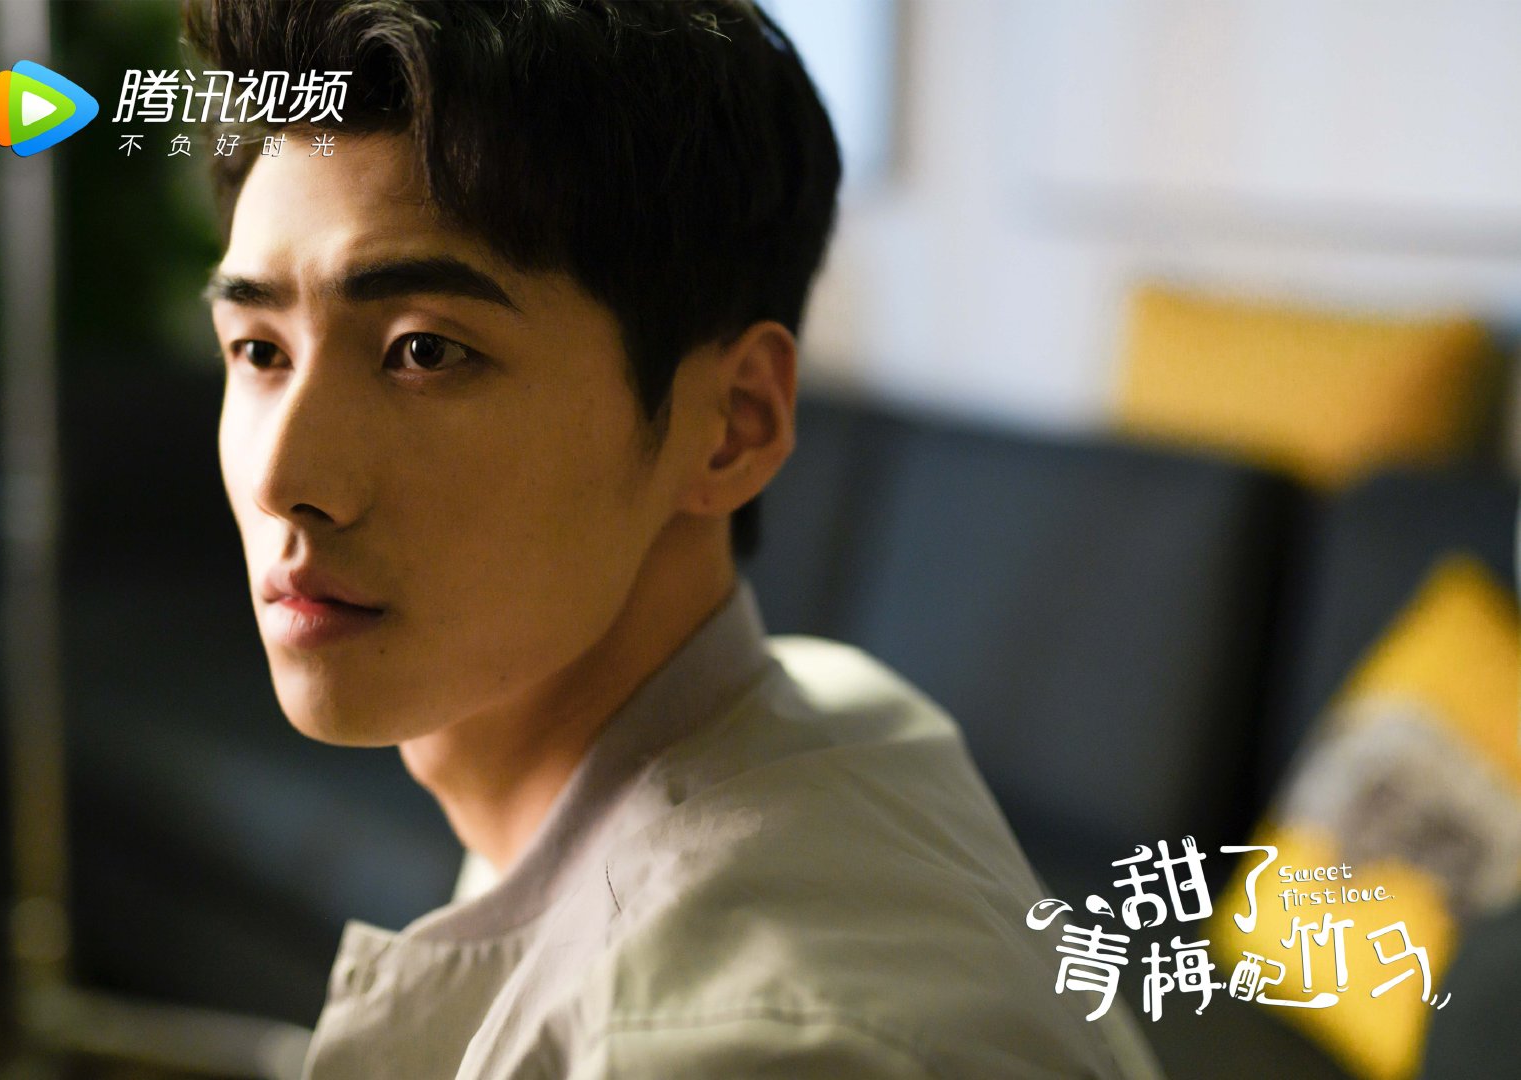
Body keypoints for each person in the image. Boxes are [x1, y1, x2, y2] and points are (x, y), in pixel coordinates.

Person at [187, 1, 1161, 1075]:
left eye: (426, 352)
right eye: (259, 349)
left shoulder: (727, 1050)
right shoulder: (824, 706)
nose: (284, 480)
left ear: (732, 422)